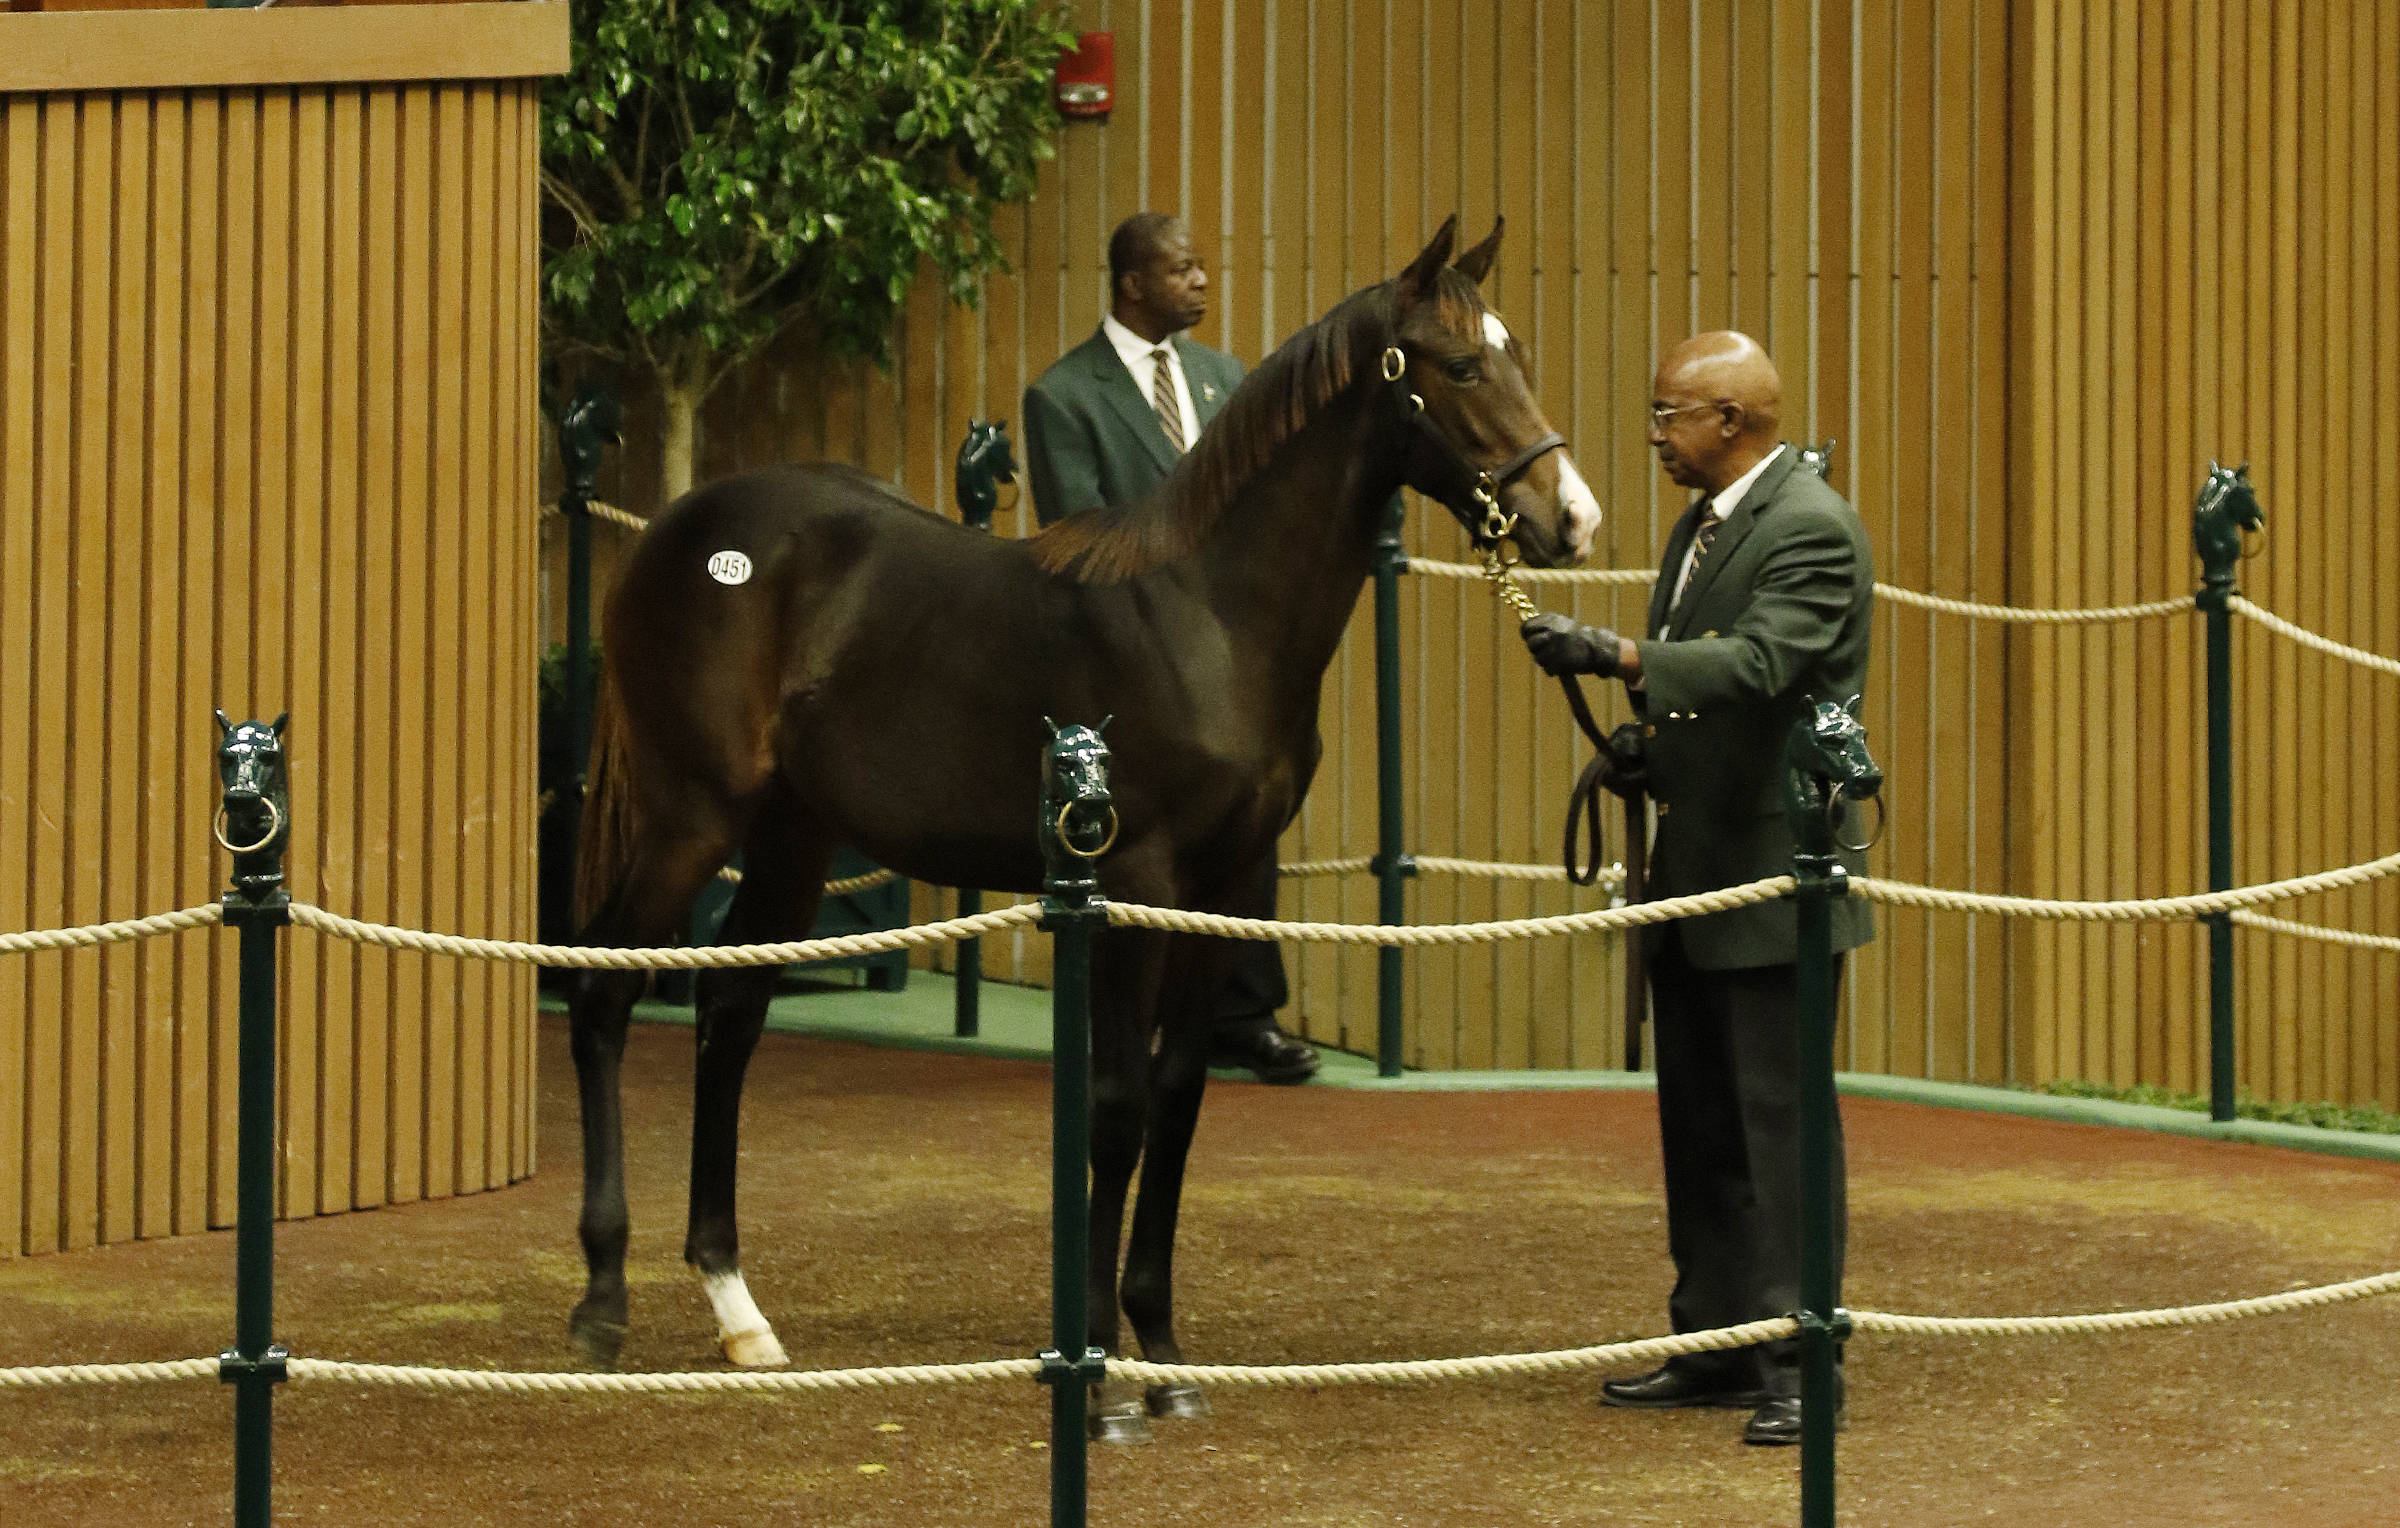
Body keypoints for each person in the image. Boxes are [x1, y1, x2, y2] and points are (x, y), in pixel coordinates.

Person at [1519, 331, 1874, 1446]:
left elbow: (1768, 663)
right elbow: (1715, 699)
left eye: (1670, 414)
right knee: (1704, 1122)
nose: (1657, 434)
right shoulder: (1707, 522)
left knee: (1779, 1127)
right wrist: (1646, 752)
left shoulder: (1810, 526)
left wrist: (1622, 657)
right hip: (1702, 864)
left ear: (1733, 420)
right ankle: (1717, 1337)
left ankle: (1802, 1361)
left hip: (1776, 873)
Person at [1022, 212, 1318, 1085]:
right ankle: (1137, 1018)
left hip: (1228, 657)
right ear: (1131, 285)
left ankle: (1243, 1013)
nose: (1201, 281)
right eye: (1183, 269)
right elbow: (1077, 534)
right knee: (1135, 842)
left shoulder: (1229, 380)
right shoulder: (1064, 395)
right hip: (1125, 657)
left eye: (1201, 267)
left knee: (1247, 817)